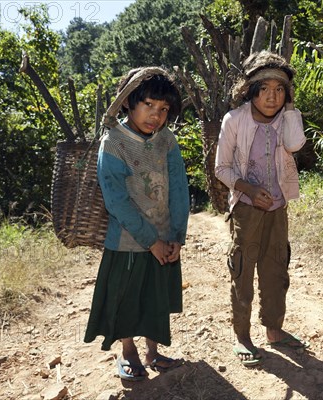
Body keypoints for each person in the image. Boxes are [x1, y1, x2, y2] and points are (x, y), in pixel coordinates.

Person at [84, 67, 190, 381]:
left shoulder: (166, 140)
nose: (155, 116)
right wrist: (150, 240)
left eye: (164, 109)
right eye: (148, 105)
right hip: (128, 242)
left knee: (154, 300)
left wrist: (176, 236)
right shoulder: (114, 142)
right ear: (129, 101)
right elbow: (117, 201)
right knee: (126, 299)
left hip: (164, 236)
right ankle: (128, 352)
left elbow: (179, 188)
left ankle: (153, 353)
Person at [215, 51, 308, 367]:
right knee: (242, 268)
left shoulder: (286, 119)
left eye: (280, 89)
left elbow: (295, 145)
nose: (272, 97)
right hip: (245, 210)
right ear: (250, 91)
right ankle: (241, 335)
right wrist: (249, 190)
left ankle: (274, 330)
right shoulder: (235, 120)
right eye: (265, 89)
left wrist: (291, 107)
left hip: (278, 210)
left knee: (276, 267)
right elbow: (221, 168)